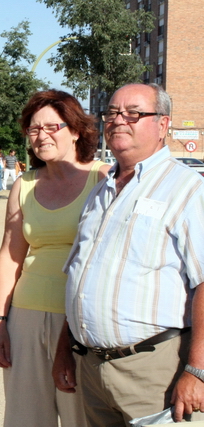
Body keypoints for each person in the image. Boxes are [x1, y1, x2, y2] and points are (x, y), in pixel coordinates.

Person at [53, 83, 204, 425]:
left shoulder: (187, 190)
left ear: (163, 124)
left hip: (153, 372)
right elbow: (80, 275)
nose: (119, 120)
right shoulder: (100, 191)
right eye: (112, 112)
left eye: (134, 113)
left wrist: (197, 371)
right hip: (92, 368)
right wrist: (66, 349)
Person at [0, 90, 109, 427]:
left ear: (75, 129)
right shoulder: (23, 185)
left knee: (80, 417)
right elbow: (10, 258)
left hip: (81, 321)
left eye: (51, 127)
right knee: (25, 417)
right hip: (25, 318)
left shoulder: (104, 179)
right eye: (34, 129)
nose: (41, 136)